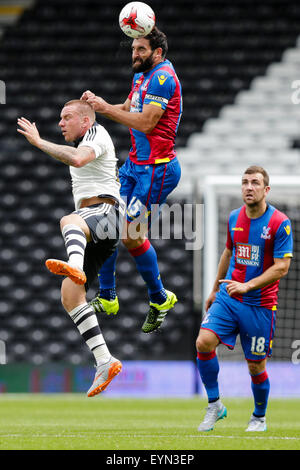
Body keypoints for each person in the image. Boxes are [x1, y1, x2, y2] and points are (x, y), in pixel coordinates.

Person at [17, 99, 125, 397]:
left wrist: (39, 142)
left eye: (66, 118)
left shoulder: (97, 135)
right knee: (70, 294)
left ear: (85, 121)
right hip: (99, 224)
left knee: (69, 220)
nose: (61, 123)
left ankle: (75, 265)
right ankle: (105, 360)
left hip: (107, 214)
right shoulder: (85, 139)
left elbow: (78, 159)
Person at [81, 26, 182, 333]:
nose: (134, 54)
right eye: (133, 49)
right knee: (107, 222)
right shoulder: (142, 74)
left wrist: (104, 109)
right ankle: (108, 296)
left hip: (158, 169)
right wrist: (101, 103)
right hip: (135, 166)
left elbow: (148, 122)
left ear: (158, 53)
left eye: (141, 49)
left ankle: (160, 297)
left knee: (130, 235)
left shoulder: (163, 77)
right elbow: (128, 109)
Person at [195, 166, 293, 432]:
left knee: (255, 365)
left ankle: (259, 417)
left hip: (260, 304)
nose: (249, 187)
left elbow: (281, 267)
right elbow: (228, 253)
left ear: (266, 189)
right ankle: (214, 404)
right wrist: (215, 289)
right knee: (203, 342)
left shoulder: (279, 223)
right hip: (229, 297)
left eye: (255, 183)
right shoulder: (234, 217)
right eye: (245, 182)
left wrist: (248, 285)